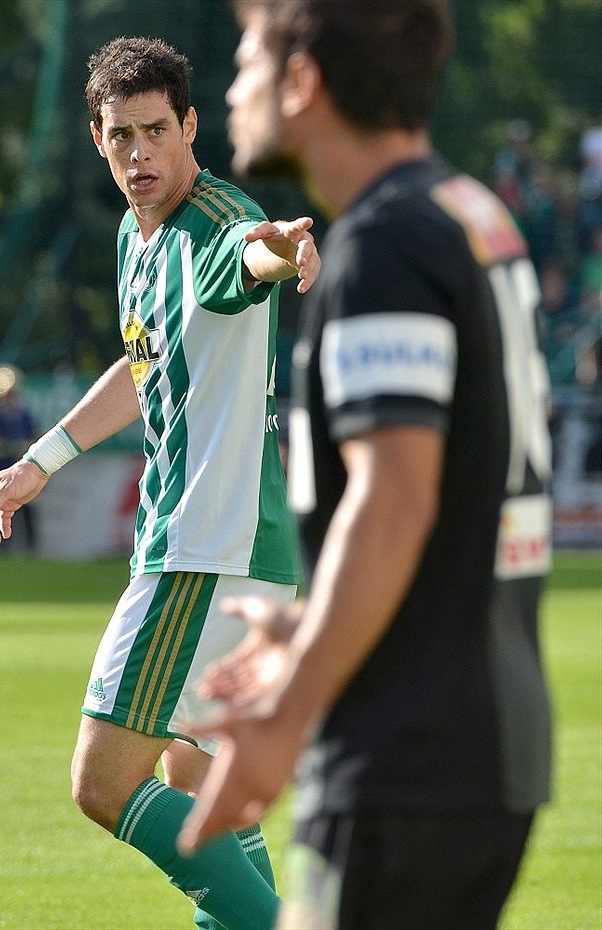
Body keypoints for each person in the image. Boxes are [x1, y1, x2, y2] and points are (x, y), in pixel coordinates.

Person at [178, 3, 554, 930]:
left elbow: (394, 504)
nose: (232, 89)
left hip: (405, 754)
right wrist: (309, 624)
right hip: (479, 734)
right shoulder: (466, 212)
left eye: (247, 60)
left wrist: (286, 713)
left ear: (304, 82)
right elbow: (455, 496)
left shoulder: (384, 244)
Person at [0, 35, 320, 930]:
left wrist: (276, 249)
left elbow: (244, 259)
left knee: (102, 783)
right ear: (97, 138)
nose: (139, 153)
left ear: (191, 125)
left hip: (201, 548)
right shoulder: (137, 232)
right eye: (120, 135)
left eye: (157, 131)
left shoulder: (209, 222)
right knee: (197, 787)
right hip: (239, 547)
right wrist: (36, 463)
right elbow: (142, 365)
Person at [0, 364, 38, 552]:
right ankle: (2, 547)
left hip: (24, 469)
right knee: (3, 509)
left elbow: (35, 437)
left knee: (27, 509)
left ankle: (31, 548)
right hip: (3, 467)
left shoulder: (24, 415)